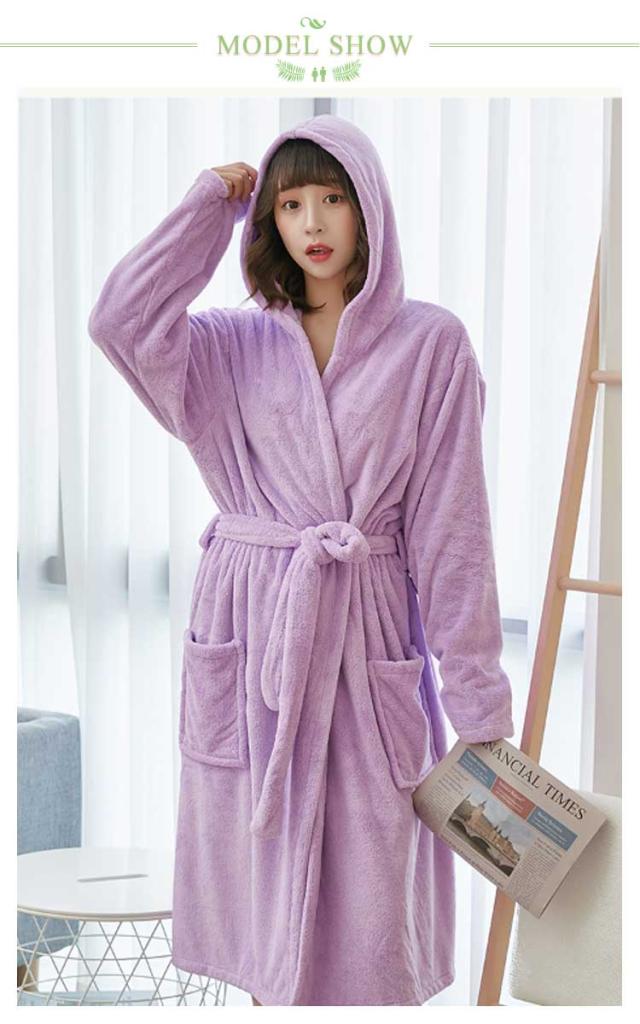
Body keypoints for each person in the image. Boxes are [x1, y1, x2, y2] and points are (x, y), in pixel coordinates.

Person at [87, 113, 515, 1006]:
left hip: (363, 634)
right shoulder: (226, 346)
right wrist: (207, 207)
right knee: (261, 912)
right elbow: (120, 320)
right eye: (289, 205)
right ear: (269, 220)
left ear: (370, 209)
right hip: (253, 633)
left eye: (332, 199)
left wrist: (478, 707)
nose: (312, 223)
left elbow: (455, 536)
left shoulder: (430, 344)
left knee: (370, 929)